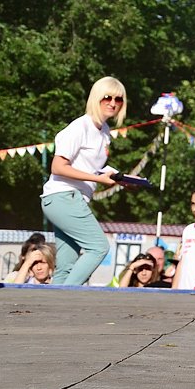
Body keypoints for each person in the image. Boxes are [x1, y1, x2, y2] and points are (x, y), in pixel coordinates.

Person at [40, 77, 126, 285]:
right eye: (107, 97)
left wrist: (113, 176)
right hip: (63, 196)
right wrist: (97, 178)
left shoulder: (104, 132)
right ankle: (69, 297)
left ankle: (52, 309)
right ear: (95, 98)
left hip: (70, 199)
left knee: (66, 266)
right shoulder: (80, 127)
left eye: (118, 99)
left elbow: (89, 167)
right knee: (99, 247)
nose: (112, 103)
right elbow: (58, 166)